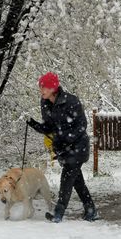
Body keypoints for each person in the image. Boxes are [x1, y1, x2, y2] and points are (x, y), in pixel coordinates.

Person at [26, 72, 98, 223]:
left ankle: (58, 213)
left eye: (44, 87)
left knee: (66, 178)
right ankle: (91, 210)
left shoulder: (71, 101)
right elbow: (48, 128)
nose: (41, 90)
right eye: (40, 87)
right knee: (77, 181)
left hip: (78, 147)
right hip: (63, 149)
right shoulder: (45, 102)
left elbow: (82, 126)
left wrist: (67, 139)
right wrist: (31, 122)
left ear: (53, 87)